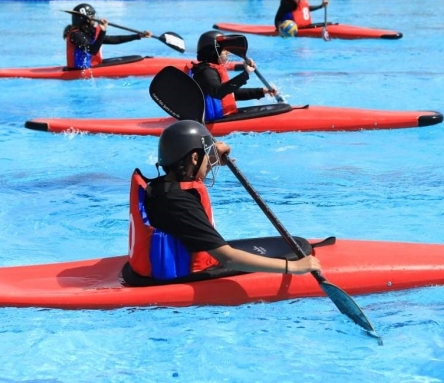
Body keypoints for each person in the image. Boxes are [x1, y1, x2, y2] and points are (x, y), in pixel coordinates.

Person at [128, 120, 321, 281]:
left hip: (150, 270)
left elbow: (193, 171)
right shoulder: (180, 204)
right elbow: (228, 259)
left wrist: (210, 156)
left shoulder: (163, 187)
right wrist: (293, 267)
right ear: (194, 158)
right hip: (177, 279)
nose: (209, 162)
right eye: (205, 157)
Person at [190, 30, 277, 121]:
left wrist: (262, 91)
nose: (228, 53)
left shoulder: (212, 69)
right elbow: (218, 92)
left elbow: (230, 93)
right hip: (214, 121)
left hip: (223, 116)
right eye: (225, 51)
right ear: (213, 52)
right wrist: (245, 74)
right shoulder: (206, 72)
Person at [62, 3, 151, 69]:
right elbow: (92, 50)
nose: (94, 19)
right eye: (92, 17)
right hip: (78, 70)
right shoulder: (75, 35)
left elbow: (115, 40)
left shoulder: (89, 32)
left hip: (93, 65)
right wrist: (103, 31)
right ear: (86, 19)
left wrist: (138, 36)